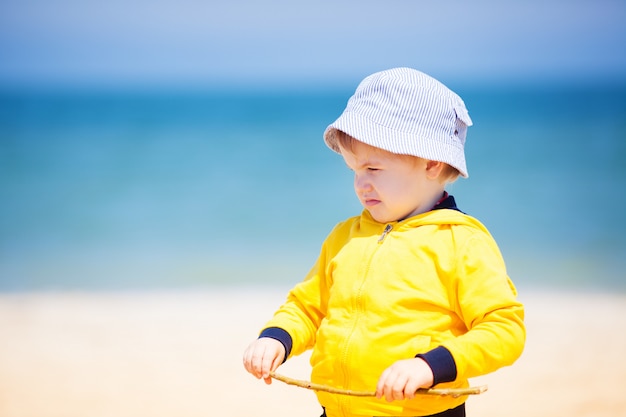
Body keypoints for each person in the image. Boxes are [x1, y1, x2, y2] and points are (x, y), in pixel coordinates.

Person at [242, 67, 525, 417]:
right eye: (354, 171)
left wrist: (431, 367)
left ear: (432, 163)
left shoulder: (459, 241)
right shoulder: (346, 236)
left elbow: (504, 329)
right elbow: (308, 307)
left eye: (373, 169)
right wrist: (276, 337)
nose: (361, 184)